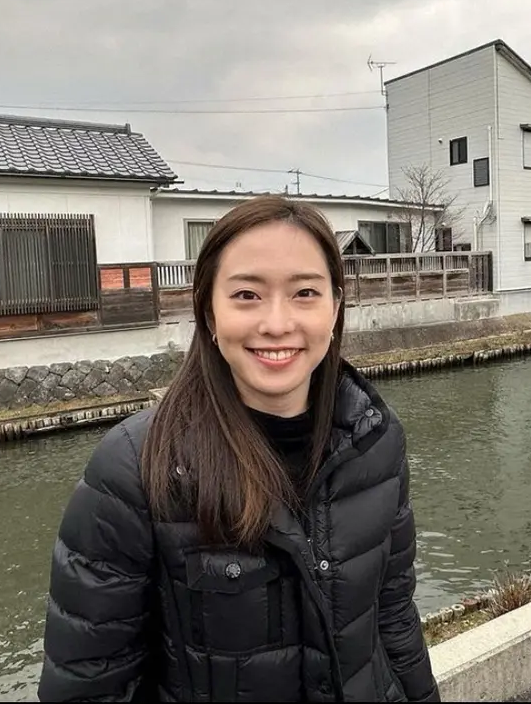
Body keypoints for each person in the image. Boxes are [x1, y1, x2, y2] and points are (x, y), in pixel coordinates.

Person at [37, 196, 440, 702]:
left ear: (335, 309)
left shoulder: (375, 441)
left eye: (305, 293)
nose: (277, 323)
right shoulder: (135, 470)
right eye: (247, 294)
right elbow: (88, 685)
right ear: (208, 311)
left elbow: (395, 617)